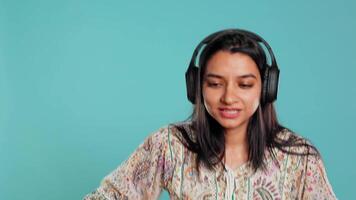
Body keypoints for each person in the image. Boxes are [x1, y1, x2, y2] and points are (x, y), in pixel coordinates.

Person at [83, 28, 337, 199]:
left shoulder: (300, 158)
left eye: (245, 84)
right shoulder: (169, 145)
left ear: (267, 88)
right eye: (215, 84)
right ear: (196, 86)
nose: (228, 97)